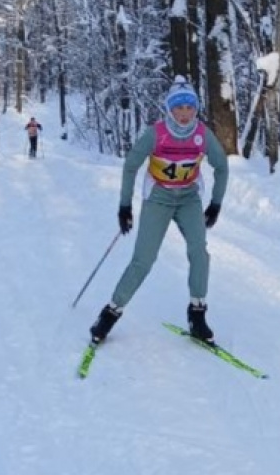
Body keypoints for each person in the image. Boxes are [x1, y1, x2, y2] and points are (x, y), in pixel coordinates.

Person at [89, 77, 229, 344]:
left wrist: (216, 203)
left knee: (199, 252)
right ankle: (109, 314)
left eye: (190, 107)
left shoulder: (201, 134)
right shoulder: (157, 133)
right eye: (179, 108)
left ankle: (197, 315)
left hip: (189, 198)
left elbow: (222, 166)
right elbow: (131, 165)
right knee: (144, 260)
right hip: (159, 198)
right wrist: (124, 206)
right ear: (169, 109)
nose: (185, 113)